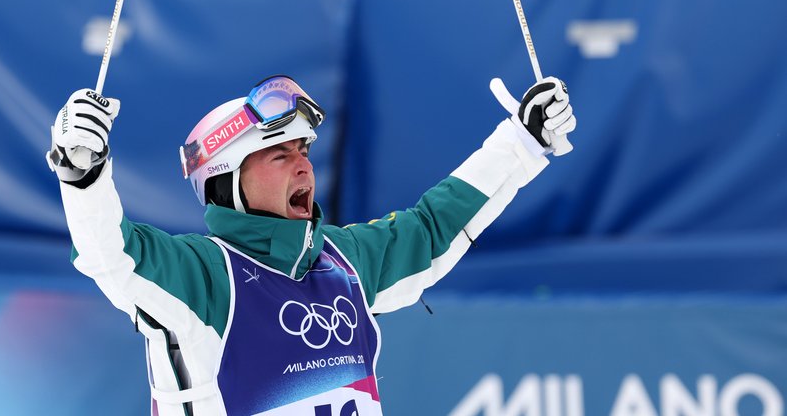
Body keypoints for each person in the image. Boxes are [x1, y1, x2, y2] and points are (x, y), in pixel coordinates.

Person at [46, 74, 576, 416]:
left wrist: (521, 143)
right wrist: (82, 175)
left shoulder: (343, 259)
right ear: (227, 178)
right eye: (279, 154)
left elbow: (434, 226)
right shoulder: (202, 276)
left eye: (304, 149)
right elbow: (111, 255)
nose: (304, 164)